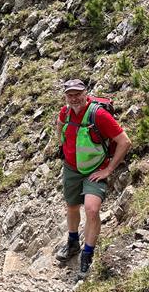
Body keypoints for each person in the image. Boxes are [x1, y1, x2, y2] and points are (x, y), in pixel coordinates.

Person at [55, 79, 132, 278]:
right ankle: (73, 243)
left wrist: (108, 170)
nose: (74, 98)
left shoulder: (98, 115)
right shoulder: (65, 112)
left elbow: (124, 141)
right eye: (70, 95)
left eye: (78, 94)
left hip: (95, 170)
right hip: (72, 167)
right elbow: (60, 126)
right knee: (72, 206)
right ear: (66, 96)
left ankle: (87, 255)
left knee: (91, 209)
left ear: (86, 93)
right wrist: (63, 147)